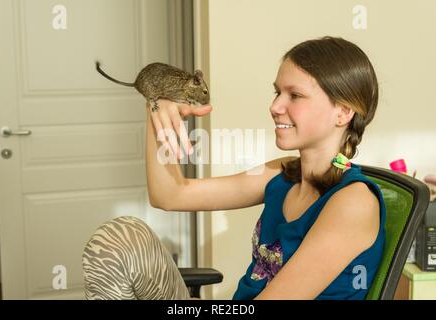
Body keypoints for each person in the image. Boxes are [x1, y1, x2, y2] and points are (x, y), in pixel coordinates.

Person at [82, 36, 385, 300]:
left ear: (343, 112)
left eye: (295, 95)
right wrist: (159, 113)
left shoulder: (353, 202)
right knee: (121, 238)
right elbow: (170, 195)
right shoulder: (284, 174)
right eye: (277, 92)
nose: (276, 106)